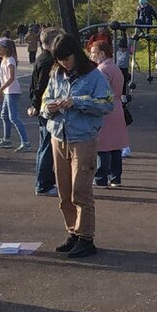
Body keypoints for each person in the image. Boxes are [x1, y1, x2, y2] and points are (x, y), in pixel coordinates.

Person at [41, 34, 114, 258]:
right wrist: (48, 107)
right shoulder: (56, 73)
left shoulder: (94, 75)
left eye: (67, 58)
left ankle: (86, 237)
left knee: (80, 190)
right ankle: (73, 232)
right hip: (59, 136)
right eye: (59, 59)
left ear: (76, 54)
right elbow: (45, 99)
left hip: (83, 138)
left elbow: (107, 104)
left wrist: (78, 101)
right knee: (64, 192)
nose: (64, 63)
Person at [28, 26, 64, 196]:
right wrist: (36, 105)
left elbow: (34, 85)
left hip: (43, 106)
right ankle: (43, 184)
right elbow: (41, 85)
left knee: (45, 145)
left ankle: (43, 182)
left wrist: (34, 103)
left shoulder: (42, 58)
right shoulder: (49, 61)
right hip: (46, 108)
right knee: (47, 146)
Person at [88, 40, 127, 188]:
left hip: (105, 108)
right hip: (117, 107)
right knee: (116, 145)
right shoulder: (115, 67)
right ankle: (115, 178)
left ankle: (101, 178)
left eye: (93, 53)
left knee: (102, 145)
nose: (91, 56)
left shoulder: (101, 70)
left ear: (102, 54)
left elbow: (100, 90)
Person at [0, 36, 30, 150]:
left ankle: (25, 142)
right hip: (8, 91)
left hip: (12, 92)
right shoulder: (3, 60)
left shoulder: (10, 60)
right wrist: (1, 92)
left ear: (6, 49)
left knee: (14, 117)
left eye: (0, 49)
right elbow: (3, 79)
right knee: (4, 116)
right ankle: (6, 139)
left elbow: (11, 78)